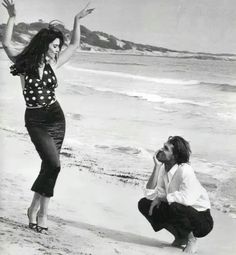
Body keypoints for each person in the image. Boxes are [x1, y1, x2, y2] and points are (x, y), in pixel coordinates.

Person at [2, 0, 94, 234]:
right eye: (54, 45)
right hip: (35, 120)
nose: (57, 49)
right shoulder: (24, 64)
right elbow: (6, 43)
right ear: (44, 44)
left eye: (57, 45)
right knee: (53, 164)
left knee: (49, 166)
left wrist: (76, 20)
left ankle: (34, 209)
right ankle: (42, 213)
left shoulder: (54, 63)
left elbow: (74, 45)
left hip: (56, 117)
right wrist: (12, 17)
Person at [138, 136, 214, 253]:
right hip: (182, 212)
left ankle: (191, 240)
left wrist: (163, 197)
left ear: (175, 156)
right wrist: (157, 167)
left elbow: (186, 199)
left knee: (175, 205)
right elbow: (149, 194)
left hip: (202, 220)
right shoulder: (164, 169)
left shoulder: (185, 170)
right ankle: (180, 237)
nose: (161, 150)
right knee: (144, 204)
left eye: (166, 148)